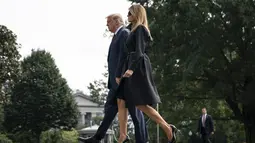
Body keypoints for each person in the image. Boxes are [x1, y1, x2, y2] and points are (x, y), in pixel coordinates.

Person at [78, 13, 148, 143]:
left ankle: (143, 140)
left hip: (123, 82)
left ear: (116, 22)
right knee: (110, 108)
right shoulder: (117, 35)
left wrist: (121, 76)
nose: (107, 25)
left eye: (109, 22)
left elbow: (125, 57)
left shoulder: (124, 33)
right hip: (115, 83)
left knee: (135, 112)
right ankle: (98, 137)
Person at [115, 4, 177, 143]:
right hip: (131, 65)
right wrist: (121, 72)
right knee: (121, 99)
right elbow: (127, 53)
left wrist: (131, 69)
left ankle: (167, 128)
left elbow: (139, 52)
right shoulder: (133, 30)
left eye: (130, 13)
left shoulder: (141, 29)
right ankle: (123, 136)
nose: (127, 15)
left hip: (137, 67)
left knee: (140, 103)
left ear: (137, 14)